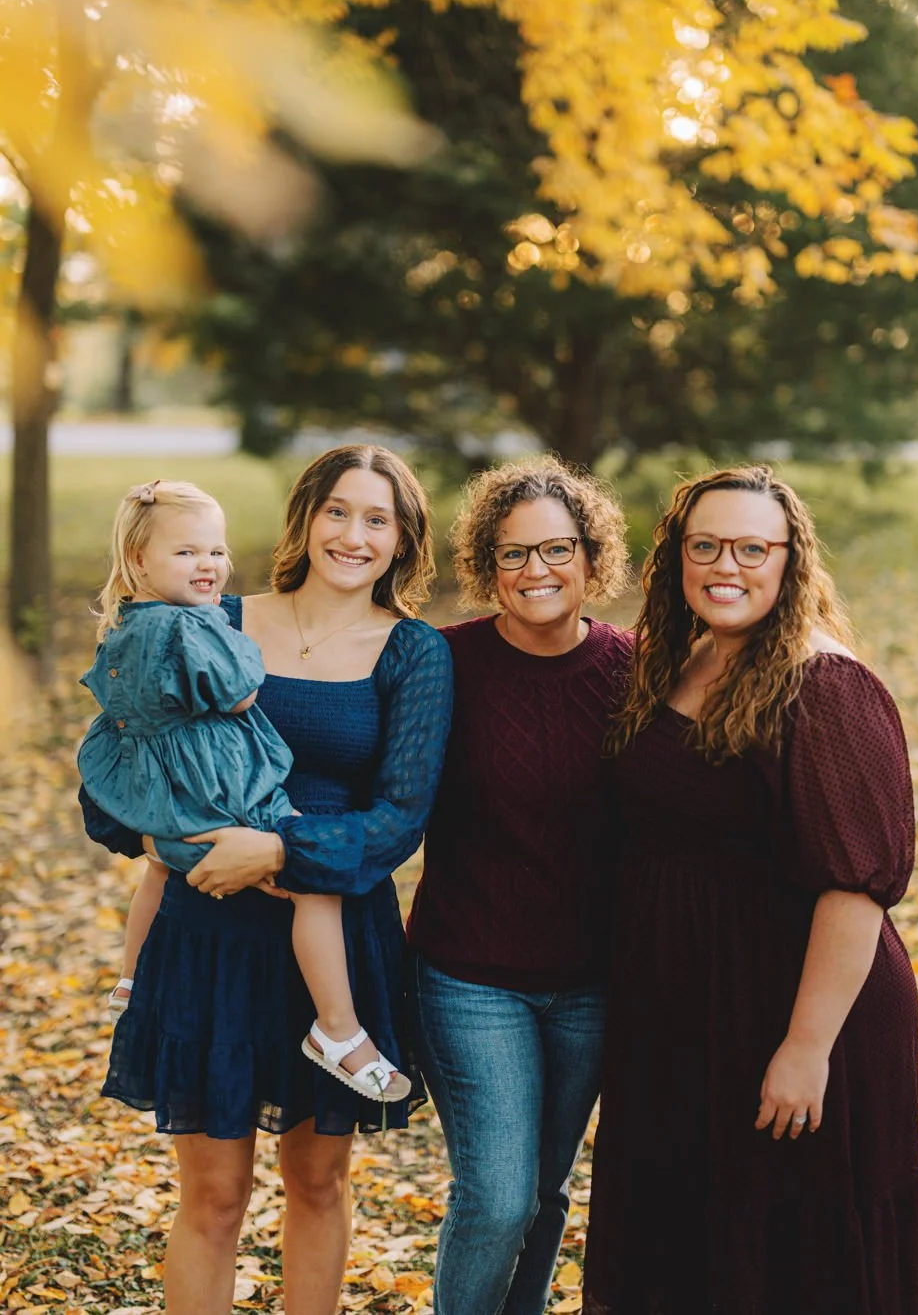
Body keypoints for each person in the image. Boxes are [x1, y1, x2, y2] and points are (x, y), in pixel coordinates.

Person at [81, 445, 453, 1315]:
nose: (353, 535)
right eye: (337, 511)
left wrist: (279, 853)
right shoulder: (209, 616)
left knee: (317, 1183)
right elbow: (120, 758)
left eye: (377, 519)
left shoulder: (413, 652)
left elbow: (400, 819)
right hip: (208, 932)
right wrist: (175, 837)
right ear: (305, 518)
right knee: (213, 1196)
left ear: (402, 539)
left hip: (333, 935)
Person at [582, 464, 918, 1315]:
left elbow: (854, 890)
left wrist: (806, 1048)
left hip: (795, 1007)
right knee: (693, 1244)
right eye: (705, 546)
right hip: (688, 1008)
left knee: (793, 1253)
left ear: (789, 559)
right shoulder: (684, 658)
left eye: (751, 548)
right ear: (678, 556)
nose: (725, 566)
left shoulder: (825, 686)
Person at [79, 478, 408, 1103]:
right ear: (139, 560)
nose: (208, 564)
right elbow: (239, 692)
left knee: (160, 869)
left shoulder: (128, 624)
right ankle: (336, 1029)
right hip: (224, 794)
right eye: (187, 552)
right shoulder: (200, 624)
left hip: (168, 789)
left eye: (215, 551)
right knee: (313, 881)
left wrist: (162, 830)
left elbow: (119, 714)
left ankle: (131, 976)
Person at [406, 457, 633, 1315]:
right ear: (487, 566)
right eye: (513, 553)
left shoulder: (636, 670)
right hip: (470, 976)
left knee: (546, 1192)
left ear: (590, 557)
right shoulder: (443, 662)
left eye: (557, 549)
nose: (537, 570)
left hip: (592, 983)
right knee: (498, 1197)